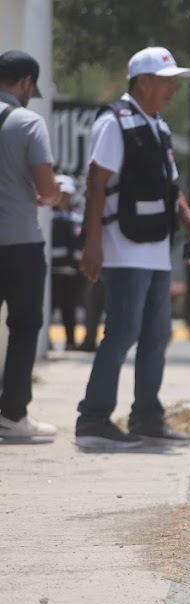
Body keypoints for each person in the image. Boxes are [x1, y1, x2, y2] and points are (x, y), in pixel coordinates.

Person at [75, 47, 190, 450]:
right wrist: (92, 244)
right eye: (166, 81)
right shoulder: (115, 123)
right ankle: (94, 419)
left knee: (156, 336)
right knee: (121, 335)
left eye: (174, 82)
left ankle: (147, 417)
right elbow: (96, 182)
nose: (172, 89)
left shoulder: (159, 127)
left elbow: (172, 189)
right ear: (143, 82)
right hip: (122, 250)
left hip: (154, 251)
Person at [0, 50, 61, 440]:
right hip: (19, 242)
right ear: (25, 83)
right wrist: (55, 195)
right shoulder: (28, 123)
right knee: (24, 327)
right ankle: (12, 416)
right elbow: (47, 188)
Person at [50, 173, 85, 351]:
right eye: (62, 193)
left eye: (68, 194)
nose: (65, 197)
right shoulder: (47, 216)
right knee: (49, 307)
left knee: (69, 308)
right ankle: (46, 342)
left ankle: (70, 341)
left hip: (72, 271)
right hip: (53, 271)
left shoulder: (77, 217)